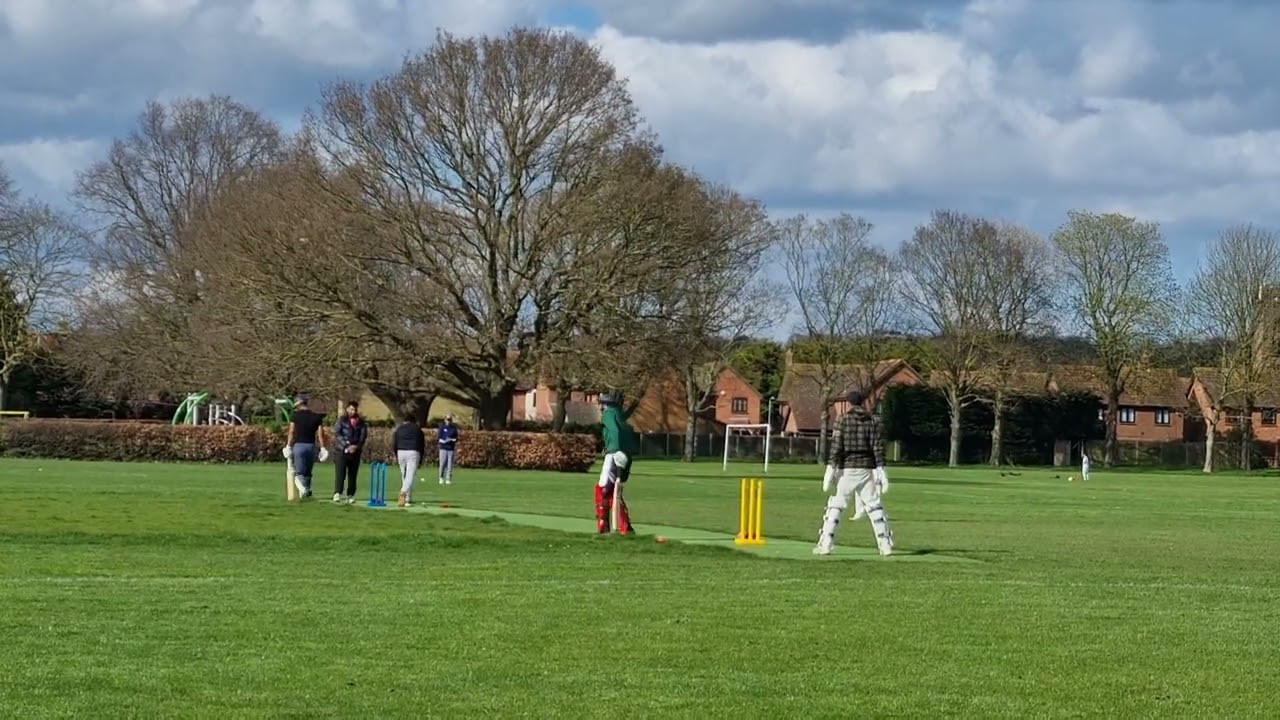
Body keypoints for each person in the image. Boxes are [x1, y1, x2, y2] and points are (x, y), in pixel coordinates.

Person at [814, 388, 893, 556]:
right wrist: (881, 469)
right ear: (862, 402)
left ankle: (826, 543)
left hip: (847, 469)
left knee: (836, 505)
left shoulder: (843, 420)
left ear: (849, 402)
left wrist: (830, 468)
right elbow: (877, 447)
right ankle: (885, 545)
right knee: (874, 505)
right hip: (866, 468)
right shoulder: (872, 421)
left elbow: (836, 447)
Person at [596, 391, 638, 534]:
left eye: (602, 403)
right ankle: (624, 527)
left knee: (603, 488)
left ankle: (605, 524)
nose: (601, 406)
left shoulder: (609, 414)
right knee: (613, 489)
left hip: (614, 453)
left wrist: (615, 448)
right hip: (625, 454)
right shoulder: (620, 415)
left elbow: (614, 431)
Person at [284, 393, 329, 500]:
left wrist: (288, 446)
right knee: (308, 473)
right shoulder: (316, 416)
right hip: (311, 447)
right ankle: (307, 494)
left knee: (299, 472)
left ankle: (304, 491)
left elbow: (291, 431)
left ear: (298, 403)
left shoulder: (295, 415)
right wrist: (323, 448)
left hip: (299, 446)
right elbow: (320, 434)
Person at [332, 399, 368, 504]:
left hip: (355, 452)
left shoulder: (361, 423)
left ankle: (350, 494)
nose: (353, 411)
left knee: (352, 474)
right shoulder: (341, 420)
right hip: (341, 451)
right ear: (347, 409)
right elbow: (337, 434)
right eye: (351, 409)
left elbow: (363, 436)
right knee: (340, 473)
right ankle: (337, 493)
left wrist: (356, 446)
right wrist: (347, 446)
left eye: (355, 410)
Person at [393, 412, 425, 507]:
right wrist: (421, 458)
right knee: (410, 475)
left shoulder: (399, 429)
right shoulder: (417, 429)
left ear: (405, 421)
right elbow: (421, 444)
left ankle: (407, 499)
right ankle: (403, 493)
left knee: (404, 475)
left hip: (400, 451)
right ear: (414, 421)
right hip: (413, 451)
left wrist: (396, 453)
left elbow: (395, 442)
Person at [437, 414, 459, 485]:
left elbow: (456, 438)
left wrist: (451, 440)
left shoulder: (453, 428)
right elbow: (439, 438)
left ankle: (448, 478)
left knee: (450, 465)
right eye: (447, 420)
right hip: (443, 448)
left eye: (450, 420)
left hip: (451, 449)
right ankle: (441, 477)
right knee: (442, 464)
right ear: (445, 420)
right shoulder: (442, 428)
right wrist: (444, 441)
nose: (448, 421)